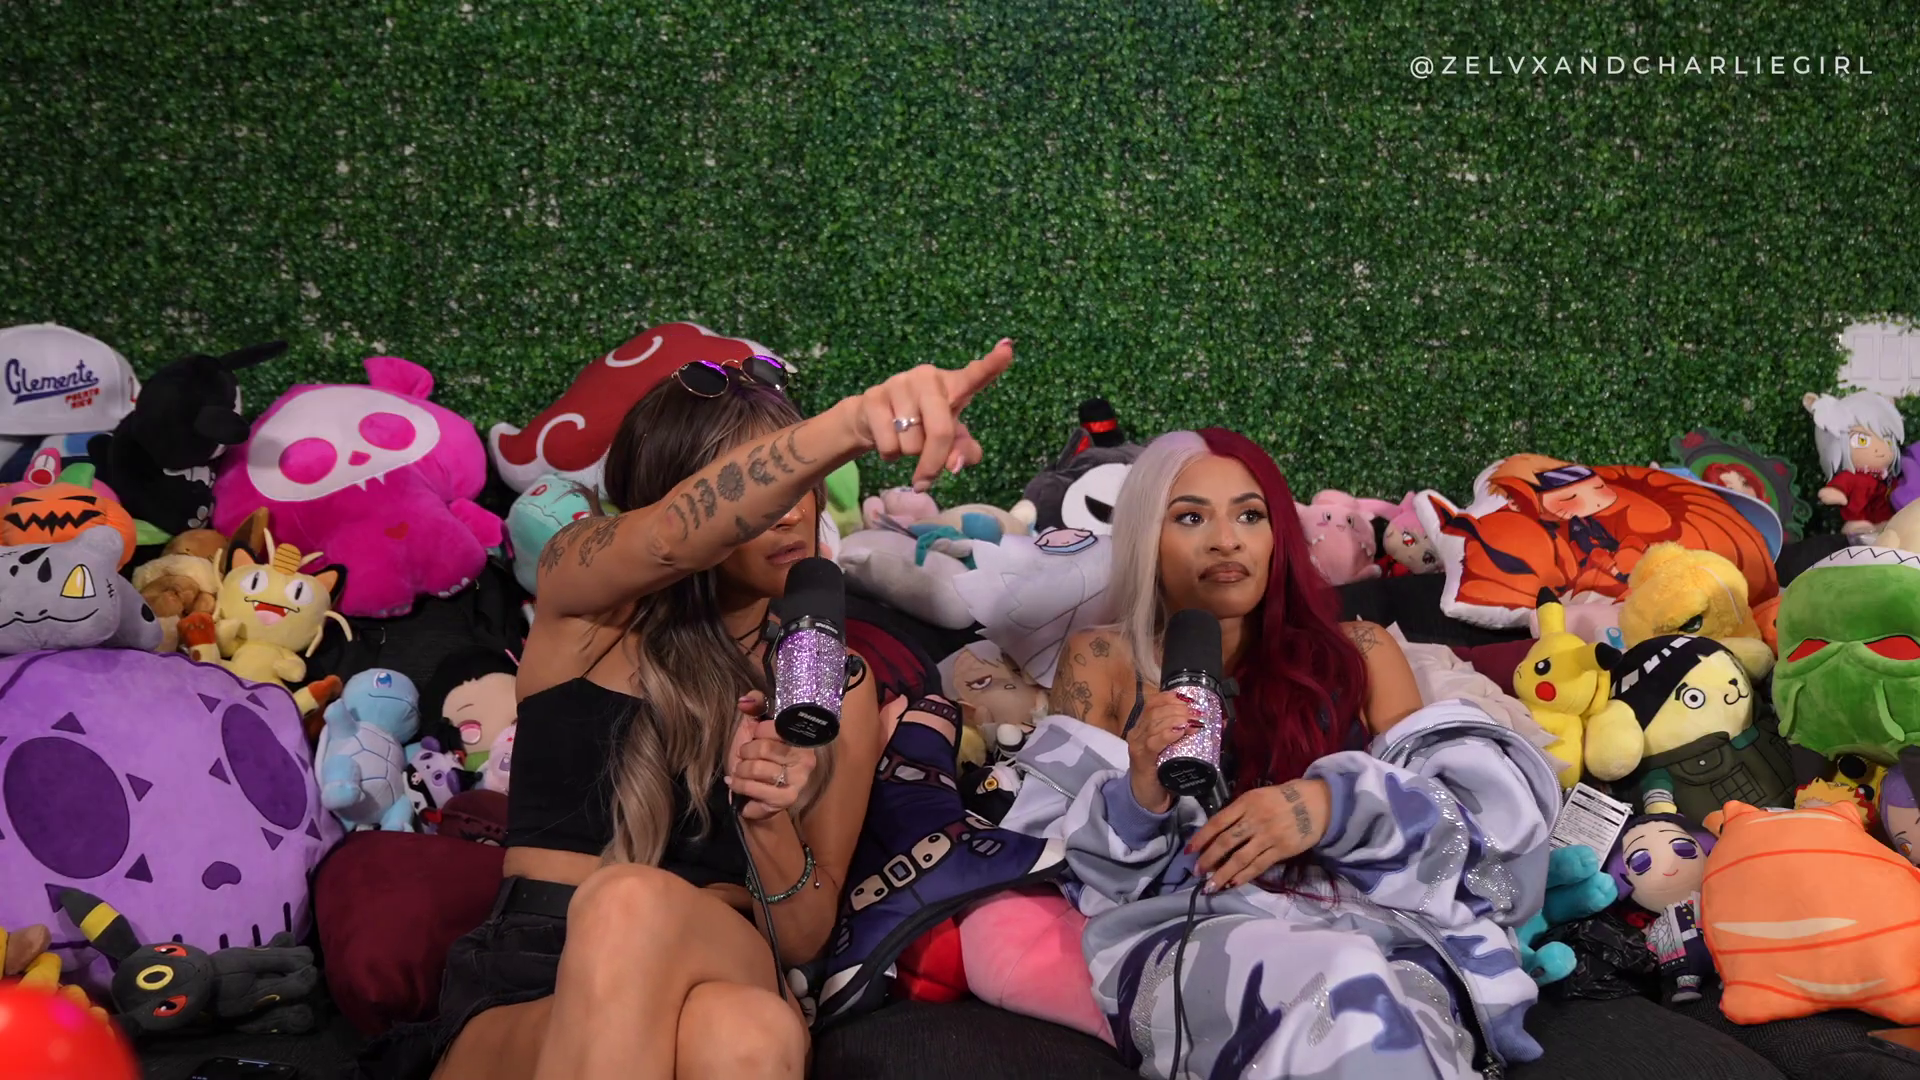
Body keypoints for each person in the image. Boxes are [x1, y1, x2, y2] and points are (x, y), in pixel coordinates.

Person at [358, 340, 1013, 1080]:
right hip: (531, 969)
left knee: (653, 922)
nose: (789, 512)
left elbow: (803, 936)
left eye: (803, 485)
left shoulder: (828, 674)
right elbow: (672, 536)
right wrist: (856, 422)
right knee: (741, 1032)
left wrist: (767, 821)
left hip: (723, 950)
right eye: (767, 487)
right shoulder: (586, 605)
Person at [1039, 428, 1561, 1079]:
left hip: (1382, 929)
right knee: (1343, 983)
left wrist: (1329, 806)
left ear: (1277, 535)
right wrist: (1141, 790)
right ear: (1147, 537)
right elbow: (1060, 861)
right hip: (1201, 937)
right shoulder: (1101, 659)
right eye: (1191, 517)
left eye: (1250, 516)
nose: (1226, 540)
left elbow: (1462, 829)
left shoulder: (1360, 650)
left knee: (1387, 999)